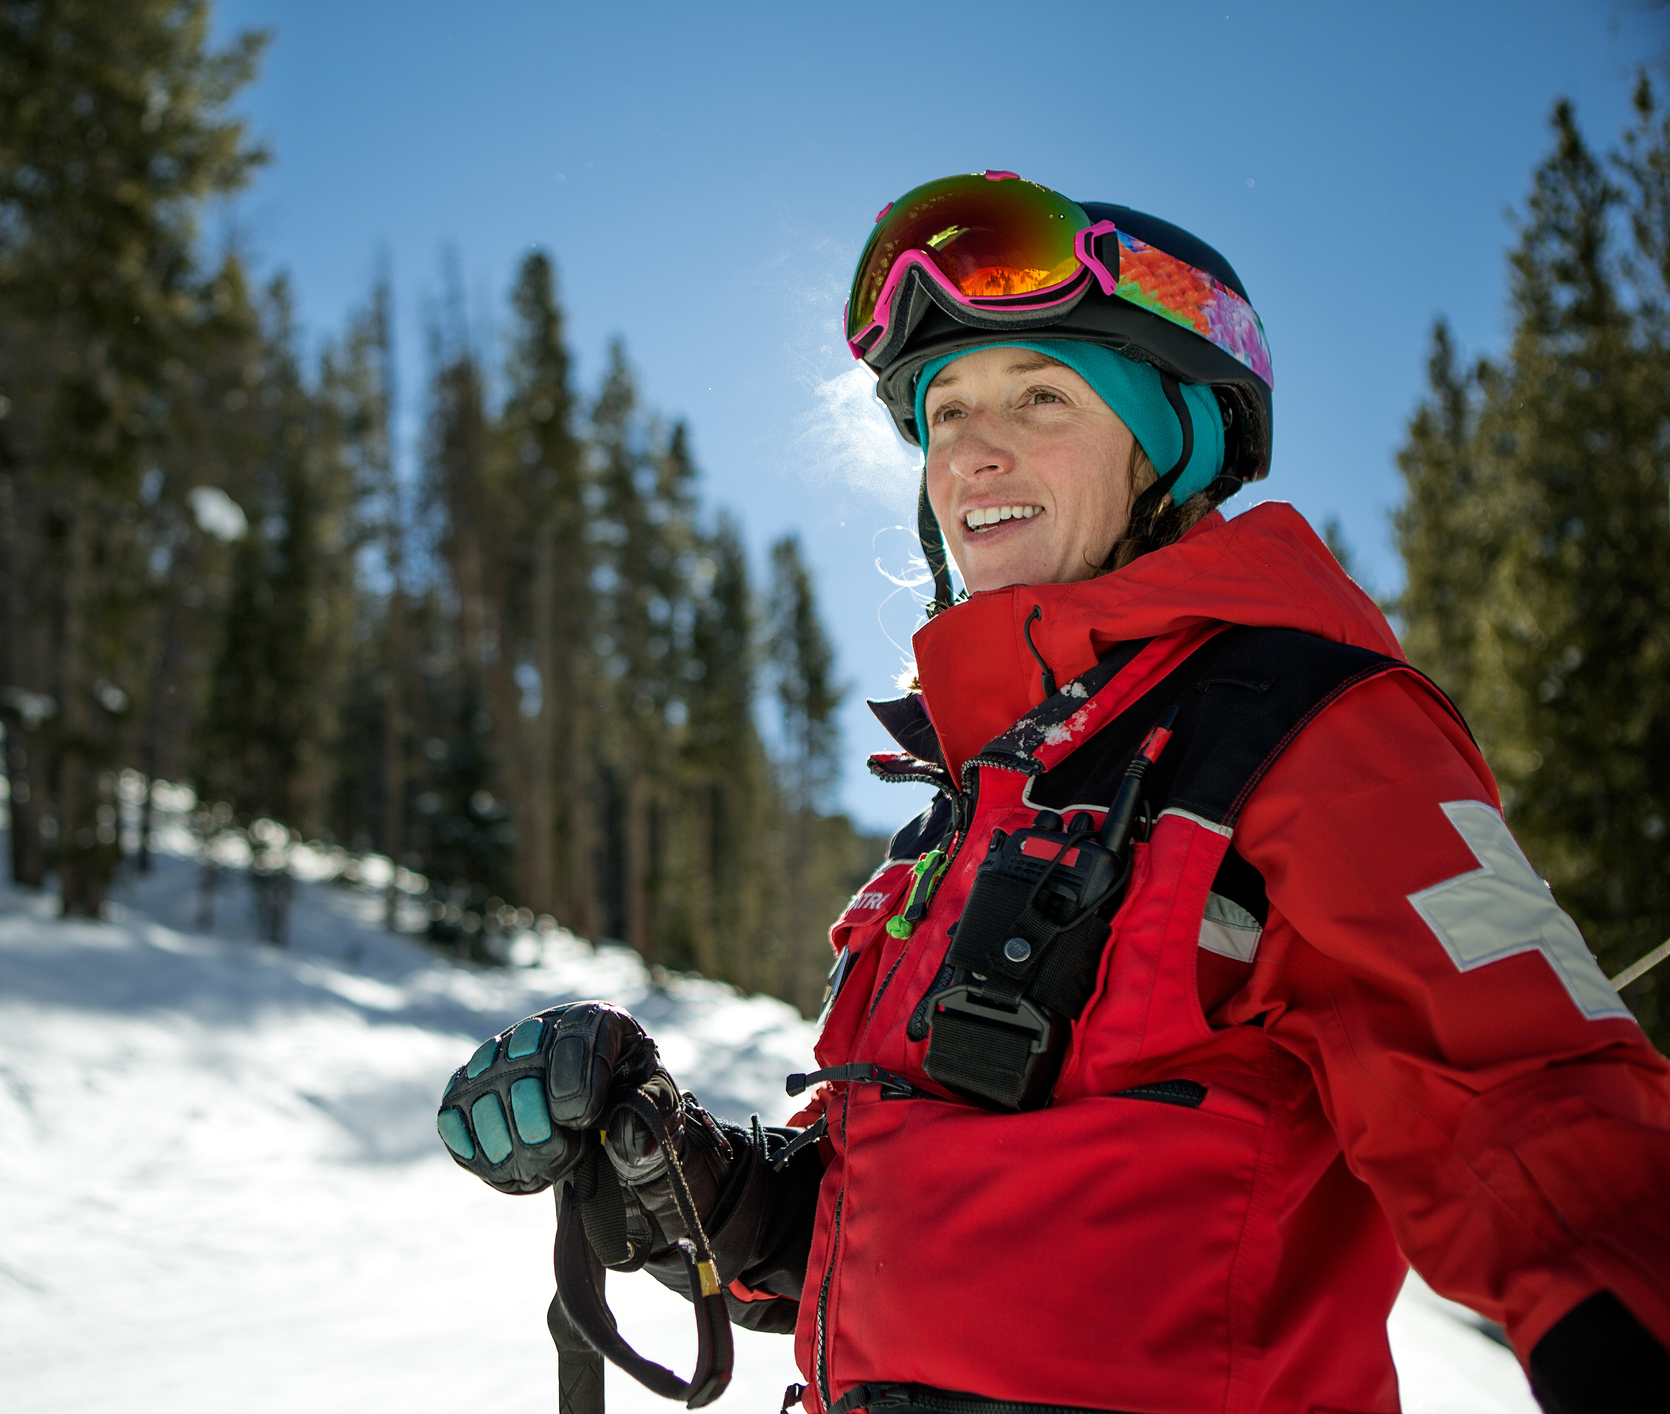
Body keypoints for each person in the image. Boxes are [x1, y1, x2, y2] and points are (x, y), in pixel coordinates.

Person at [437, 172, 1670, 1414]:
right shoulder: (982, 800)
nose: (973, 448)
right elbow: (908, 1218)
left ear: (1164, 440)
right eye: (944, 408)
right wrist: (688, 1176)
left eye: (1041, 395)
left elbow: (1530, 1094)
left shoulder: (1307, 721)